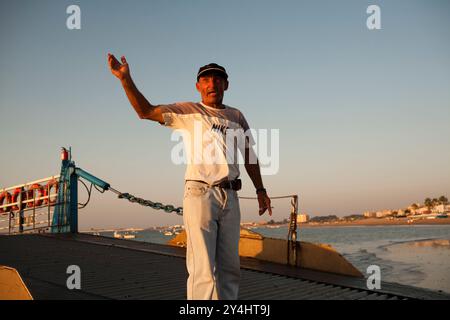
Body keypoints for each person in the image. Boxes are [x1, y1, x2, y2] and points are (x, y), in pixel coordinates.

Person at [107, 54, 272, 300]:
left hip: (231, 196)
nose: (212, 84)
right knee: (203, 269)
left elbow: (249, 156)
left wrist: (261, 190)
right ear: (198, 86)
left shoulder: (237, 116)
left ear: (226, 85)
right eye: (205, 80)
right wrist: (125, 79)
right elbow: (146, 111)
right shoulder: (188, 111)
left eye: (218, 79)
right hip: (200, 194)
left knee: (230, 268)